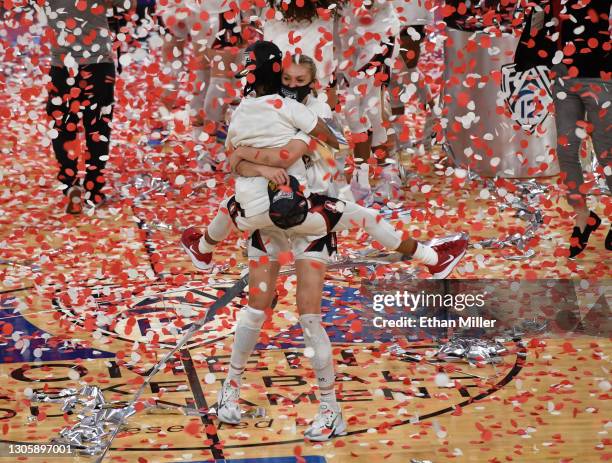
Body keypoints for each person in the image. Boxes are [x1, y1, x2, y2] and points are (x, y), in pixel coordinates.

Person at [514, 0, 611, 257]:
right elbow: (539, 24)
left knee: (606, 154)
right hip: (565, 77)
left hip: (603, 78)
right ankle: (583, 217)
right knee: (566, 150)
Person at [44, 0, 134, 213]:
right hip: (99, 64)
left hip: (63, 65)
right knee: (98, 128)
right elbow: (124, 4)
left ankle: (70, 185)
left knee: (63, 127)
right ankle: (94, 189)